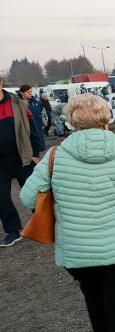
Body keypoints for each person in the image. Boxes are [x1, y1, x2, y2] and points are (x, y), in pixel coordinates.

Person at [20, 93, 115, 331]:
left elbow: (28, 196)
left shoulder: (55, 156)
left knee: (94, 302)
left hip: (78, 249)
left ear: (72, 120)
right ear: (106, 117)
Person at [0, 78, 43, 247]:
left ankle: (42, 224)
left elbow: (33, 129)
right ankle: (12, 231)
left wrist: (35, 153)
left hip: (22, 158)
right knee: (1, 197)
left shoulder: (18, 104)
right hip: (1, 164)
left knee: (34, 193)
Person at [19, 85, 46, 153]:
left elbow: (43, 114)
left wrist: (43, 124)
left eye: (31, 91)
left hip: (37, 130)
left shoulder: (37, 103)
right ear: (22, 93)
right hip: (24, 132)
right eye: (28, 92)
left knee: (37, 153)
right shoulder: (17, 104)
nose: (30, 93)